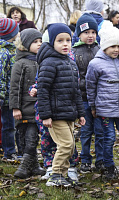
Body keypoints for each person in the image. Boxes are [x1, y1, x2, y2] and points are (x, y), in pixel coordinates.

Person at [86, 21, 119, 181]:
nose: (116, 50)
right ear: (104, 46)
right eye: (113, 46)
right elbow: (90, 86)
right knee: (108, 139)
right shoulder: (95, 64)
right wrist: (93, 105)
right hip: (105, 110)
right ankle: (109, 166)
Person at [37, 23, 85, 187]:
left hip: (69, 113)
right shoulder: (49, 63)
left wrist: (81, 113)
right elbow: (42, 90)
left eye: (68, 40)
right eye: (60, 41)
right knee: (65, 144)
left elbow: (76, 91)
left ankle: (63, 174)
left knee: (70, 147)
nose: (65, 44)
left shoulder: (70, 63)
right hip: (55, 114)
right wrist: (46, 115)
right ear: (51, 43)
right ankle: (55, 174)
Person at [9, 28, 45, 178]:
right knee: (28, 139)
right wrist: (15, 108)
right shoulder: (21, 63)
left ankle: (34, 165)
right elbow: (15, 87)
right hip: (24, 109)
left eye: (40, 41)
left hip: (39, 109)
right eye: (35, 42)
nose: (39, 44)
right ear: (25, 44)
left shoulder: (42, 61)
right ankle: (25, 166)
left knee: (34, 138)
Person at [72, 13, 104, 173]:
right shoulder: (74, 52)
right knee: (85, 131)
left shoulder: (101, 50)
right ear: (79, 34)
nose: (90, 36)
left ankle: (101, 159)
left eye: (93, 32)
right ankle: (85, 159)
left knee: (100, 131)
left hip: (99, 99)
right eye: (86, 32)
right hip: (83, 99)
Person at [0, 18, 19, 162]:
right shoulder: (4, 53)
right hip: (5, 97)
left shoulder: (11, 50)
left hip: (10, 96)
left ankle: (10, 150)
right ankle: (9, 152)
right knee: (8, 126)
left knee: (10, 125)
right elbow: (1, 77)